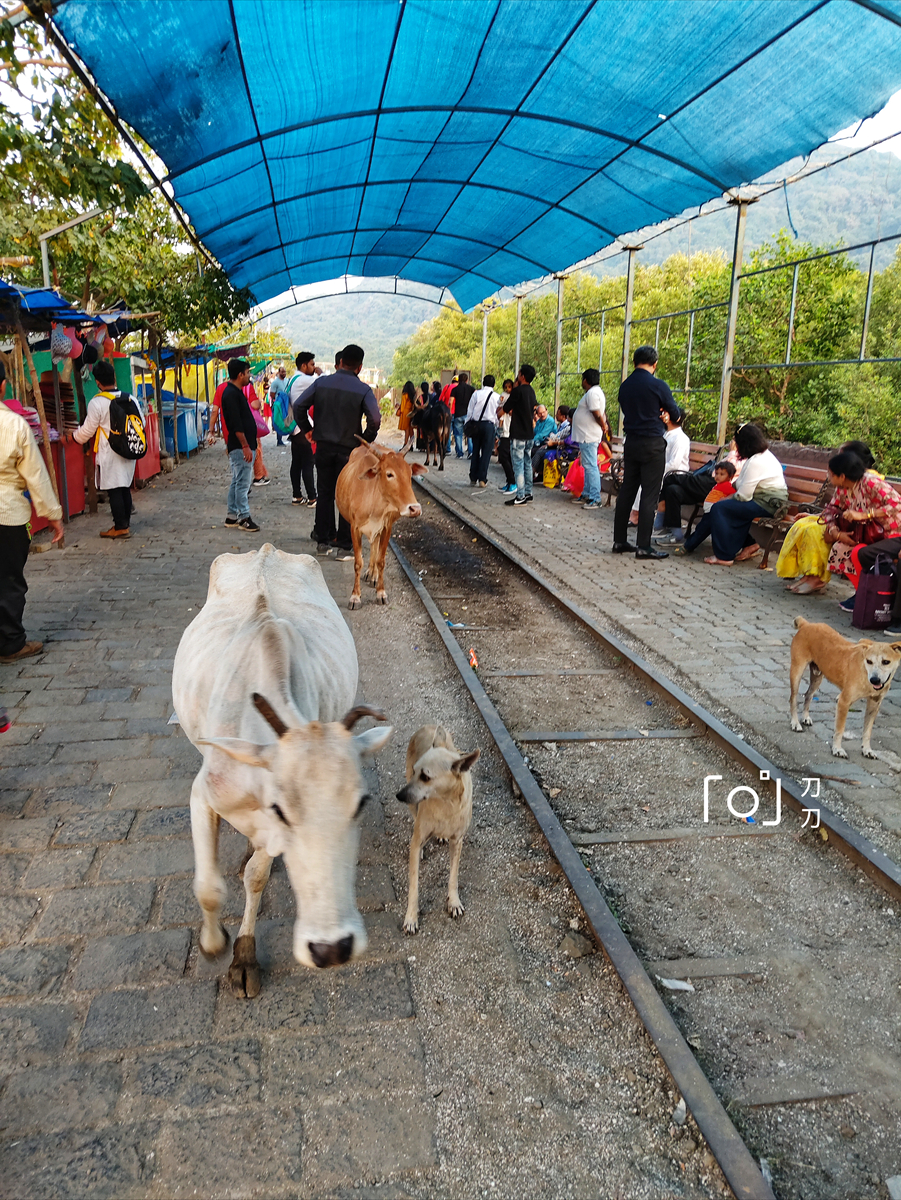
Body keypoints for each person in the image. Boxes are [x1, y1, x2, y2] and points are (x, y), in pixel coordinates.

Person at [0, 360, 64, 662]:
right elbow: (35, 476)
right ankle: (11, 643)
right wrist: (53, 515)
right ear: (3, 386)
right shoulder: (14, 425)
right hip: (8, 516)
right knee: (9, 581)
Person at [294, 342, 380, 556]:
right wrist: (365, 440)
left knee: (324, 493)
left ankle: (323, 541)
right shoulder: (363, 389)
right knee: (347, 495)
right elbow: (375, 419)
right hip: (349, 452)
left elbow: (299, 406)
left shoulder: (321, 383)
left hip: (323, 447)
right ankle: (344, 544)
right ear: (360, 367)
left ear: (340, 362)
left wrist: (307, 429)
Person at [777, 441, 878, 595]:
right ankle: (809, 574)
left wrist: (835, 527)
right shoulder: (845, 478)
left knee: (814, 531)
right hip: (839, 521)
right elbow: (834, 507)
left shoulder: (870, 480)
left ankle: (818, 577)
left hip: (858, 526)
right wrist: (816, 515)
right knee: (804, 523)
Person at [612, 346, 681, 558]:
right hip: (652, 444)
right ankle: (643, 546)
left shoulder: (625, 386)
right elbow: (676, 415)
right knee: (650, 494)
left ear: (634, 362)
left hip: (631, 443)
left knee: (627, 491)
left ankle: (619, 541)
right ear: (655, 363)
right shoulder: (658, 385)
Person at [816, 450, 901, 612]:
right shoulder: (842, 488)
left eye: (831, 474)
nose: (829, 477)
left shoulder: (871, 483)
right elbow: (830, 510)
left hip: (890, 532)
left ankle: (870, 593)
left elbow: (897, 504)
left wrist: (865, 514)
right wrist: (836, 533)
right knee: (839, 549)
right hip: (865, 532)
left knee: (857, 553)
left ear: (842, 476)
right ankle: (862, 592)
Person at [695, 424, 787, 566]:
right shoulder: (761, 456)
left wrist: (726, 498)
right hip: (766, 501)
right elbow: (741, 484)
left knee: (719, 508)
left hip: (769, 504)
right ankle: (750, 545)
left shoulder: (756, 461)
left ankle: (724, 556)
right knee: (730, 509)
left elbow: (744, 496)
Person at [73, 360, 138, 539]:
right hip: (129, 449)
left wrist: (73, 437)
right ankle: (125, 524)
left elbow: (87, 431)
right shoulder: (130, 398)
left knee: (114, 488)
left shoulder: (98, 402)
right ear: (113, 378)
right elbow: (142, 423)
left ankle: (120, 526)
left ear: (98, 382)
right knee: (124, 486)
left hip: (110, 452)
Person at [218, 358, 260, 533]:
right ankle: (244, 516)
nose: (249, 376)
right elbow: (236, 424)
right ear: (240, 374)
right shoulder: (231, 394)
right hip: (240, 446)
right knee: (243, 483)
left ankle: (232, 515)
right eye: (248, 372)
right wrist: (244, 446)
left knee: (237, 481)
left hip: (241, 444)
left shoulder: (235, 392)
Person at [674, 461, 737, 554]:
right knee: (701, 529)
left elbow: (733, 495)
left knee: (701, 530)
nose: (718, 476)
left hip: (714, 513)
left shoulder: (727, 487)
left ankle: (687, 546)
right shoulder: (717, 485)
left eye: (722, 474)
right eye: (716, 473)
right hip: (709, 512)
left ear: (730, 477)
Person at [569, 369, 610, 510]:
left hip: (589, 435)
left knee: (591, 466)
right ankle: (587, 494)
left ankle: (595, 498)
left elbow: (597, 413)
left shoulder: (592, 393)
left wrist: (603, 426)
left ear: (585, 380)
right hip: (585, 435)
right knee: (587, 466)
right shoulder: (593, 392)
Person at [501, 364, 537, 507]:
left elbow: (506, 407)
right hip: (529, 434)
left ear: (522, 376)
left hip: (517, 434)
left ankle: (520, 496)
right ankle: (528, 493)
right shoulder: (531, 391)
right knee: (527, 463)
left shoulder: (517, 391)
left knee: (518, 465)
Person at [288, 352, 320, 506]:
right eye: (312, 364)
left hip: (295, 428)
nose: (314, 367)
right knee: (308, 463)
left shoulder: (292, 379)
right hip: (303, 426)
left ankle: (297, 495)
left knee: (297, 463)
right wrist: (321, 372)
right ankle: (312, 498)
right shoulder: (304, 380)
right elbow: (323, 383)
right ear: (304, 365)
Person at [465, 374, 503, 487]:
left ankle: (473, 477)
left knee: (475, 450)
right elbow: (498, 415)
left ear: (483, 383)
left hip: (476, 425)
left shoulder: (476, 394)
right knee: (486, 453)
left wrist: (468, 424)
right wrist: (496, 427)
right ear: (494, 384)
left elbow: (470, 411)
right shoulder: (497, 397)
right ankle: (482, 479)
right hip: (489, 426)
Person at [245, 377, 270, 488]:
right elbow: (255, 405)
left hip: (232, 429)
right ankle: (258, 476)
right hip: (249, 425)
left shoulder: (224, 388)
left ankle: (260, 474)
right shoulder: (247, 387)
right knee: (256, 450)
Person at [496, 379, 516, 493]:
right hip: (504, 430)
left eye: (510, 387)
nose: (507, 389)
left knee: (504, 456)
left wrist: (504, 410)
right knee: (505, 456)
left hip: (508, 431)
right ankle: (509, 482)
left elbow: (507, 411)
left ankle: (513, 482)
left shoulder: (513, 398)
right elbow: (500, 408)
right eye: (506, 387)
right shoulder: (503, 397)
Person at [529, 403, 557, 481]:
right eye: (540, 413)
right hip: (540, 443)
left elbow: (542, 435)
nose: (542, 414)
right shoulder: (539, 422)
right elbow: (535, 432)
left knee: (536, 451)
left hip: (549, 444)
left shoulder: (550, 421)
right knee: (528, 449)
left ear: (546, 411)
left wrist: (531, 441)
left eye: (544, 412)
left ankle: (532, 472)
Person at [451, 372, 474, 459]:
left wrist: (450, 412)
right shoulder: (471, 389)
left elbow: (451, 401)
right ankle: (471, 452)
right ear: (467, 380)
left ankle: (460, 453)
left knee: (458, 434)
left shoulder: (455, 389)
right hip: (468, 415)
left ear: (459, 380)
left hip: (458, 414)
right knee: (469, 434)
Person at [268, 365, 288, 446]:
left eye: (285, 372)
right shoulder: (275, 382)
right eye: (282, 372)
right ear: (279, 373)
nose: (284, 373)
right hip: (279, 404)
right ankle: (279, 440)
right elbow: (272, 394)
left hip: (286, 403)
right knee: (279, 421)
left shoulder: (287, 381)